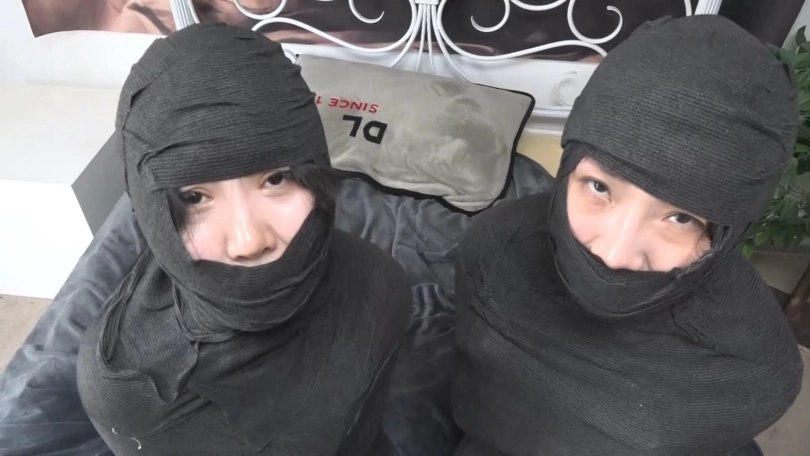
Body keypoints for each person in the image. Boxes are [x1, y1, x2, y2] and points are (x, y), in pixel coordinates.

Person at [451, 15, 804, 456]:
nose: (615, 254)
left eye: (681, 218)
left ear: (731, 232)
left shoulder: (752, 373)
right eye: (599, 187)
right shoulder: (494, 248)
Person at [70, 23, 410, 455]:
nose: (249, 241)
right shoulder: (129, 386)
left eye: (276, 178)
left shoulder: (381, 286)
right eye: (194, 197)